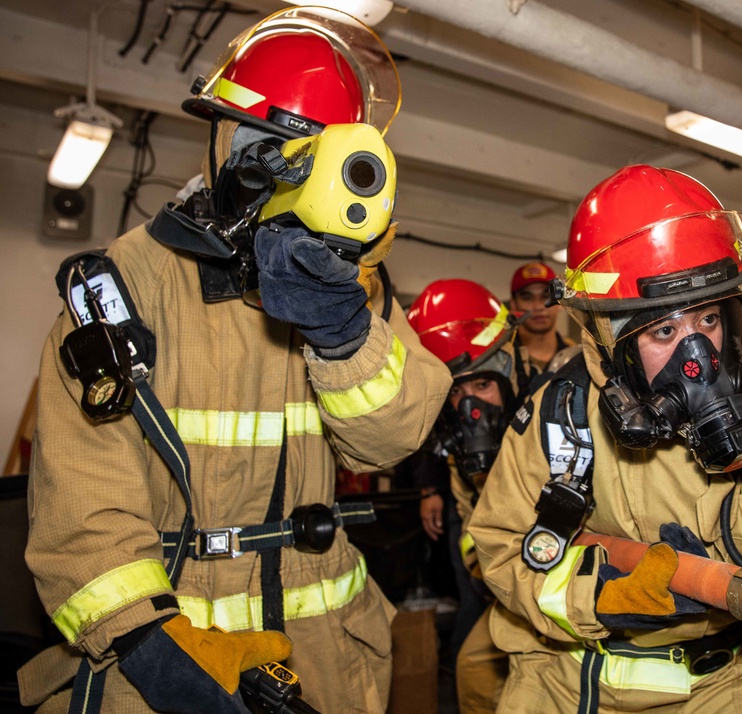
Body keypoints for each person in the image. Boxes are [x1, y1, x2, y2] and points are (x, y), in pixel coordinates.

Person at [19, 8, 451, 714]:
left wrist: (342, 334)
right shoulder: (125, 288)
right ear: (224, 144)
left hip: (327, 663)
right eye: (271, 150)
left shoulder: (353, 289)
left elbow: (389, 443)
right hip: (163, 657)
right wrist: (154, 651)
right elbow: (82, 511)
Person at [467, 166, 742, 713]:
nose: (696, 357)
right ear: (610, 337)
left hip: (719, 685)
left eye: (709, 319)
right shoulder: (558, 416)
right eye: (663, 331)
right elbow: (501, 546)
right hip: (564, 686)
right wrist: (604, 597)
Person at [408, 279, 529, 713]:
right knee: (473, 669)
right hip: (502, 588)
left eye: (482, 385)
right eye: (455, 393)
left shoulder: (551, 428)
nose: (469, 409)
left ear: (510, 371)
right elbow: (473, 523)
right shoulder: (460, 452)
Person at [509, 261, 576, 375]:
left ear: (560, 303)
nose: (539, 306)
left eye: (546, 296)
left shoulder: (576, 358)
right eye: (527, 297)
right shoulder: (502, 359)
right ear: (513, 305)